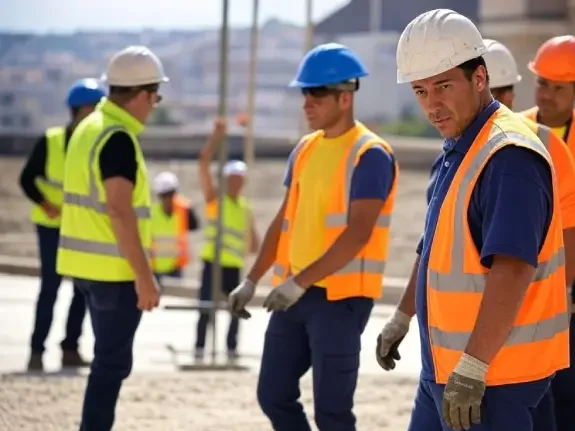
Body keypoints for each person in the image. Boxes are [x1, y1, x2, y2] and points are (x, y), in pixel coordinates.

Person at [376, 9, 569, 431]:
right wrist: (402, 317)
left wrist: (473, 365)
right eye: (421, 91)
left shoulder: (508, 155)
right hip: (445, 370)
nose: (432, 104)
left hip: (491, 378)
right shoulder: (462, 147)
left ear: (479, 78)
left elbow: (513, 267)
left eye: (443, 86)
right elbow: (435, 249)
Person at [228, 42, 398, 431]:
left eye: (316, 93)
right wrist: (251, 279)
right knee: (272, 395)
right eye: (305, 92)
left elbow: (357, 234)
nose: (307, 102)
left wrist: (297, 284)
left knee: (333, 414)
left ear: (345, 96)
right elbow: (283, 220)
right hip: (294, 294)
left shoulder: (370, 154)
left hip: (340, 300)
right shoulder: (305, 149)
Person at [56, 45, 167, 431]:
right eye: (156, 97)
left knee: (106, 364)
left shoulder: (87, 127)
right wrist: (144, 275)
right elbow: (119, 210)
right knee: (110, 366)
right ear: (140, 95)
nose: (155, 105)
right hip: (113, 273)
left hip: (84, 267)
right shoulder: (117, 137)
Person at [19, 78, 105, 371]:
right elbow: (26, 179)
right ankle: (36, 351)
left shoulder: (97, 142)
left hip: (80, 227)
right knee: (50, 289)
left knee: (82, 290)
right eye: (95, 107)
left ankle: (70, 348)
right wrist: (46, 205)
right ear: (81, 109)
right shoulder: (51, 140)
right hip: (50, 227)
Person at [517, 35, 575, 431]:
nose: (547, 94)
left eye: (559, 87)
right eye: (542, 84)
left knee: (568, 393)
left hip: (569, 286)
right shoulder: (514, 131)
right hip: (531, 282)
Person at [194, 118, 260, 360]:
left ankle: (231, 348)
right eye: (233, 178)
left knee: (235, 310)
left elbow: (254, 245)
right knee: (205, 309)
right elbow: (203, 164)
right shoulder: (215, 200)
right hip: (213, 263)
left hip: (233, 265)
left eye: (240, 179)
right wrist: (215, 138)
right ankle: (200, 348)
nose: (237, 183)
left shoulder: (245, 208)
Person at [151, 171, 200, 283]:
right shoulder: (151, 214)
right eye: (165, 195)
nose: (168, 198)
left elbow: (195, 225)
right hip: (155, 269)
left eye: (171, 194)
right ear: (159, 196)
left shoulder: (184, 210)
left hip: (175, 268)